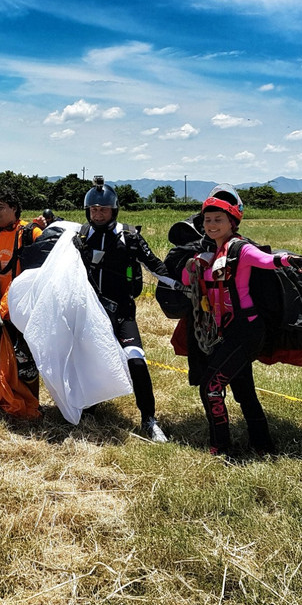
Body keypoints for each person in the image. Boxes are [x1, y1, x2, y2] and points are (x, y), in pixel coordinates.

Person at [184, 184, 302, 456]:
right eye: (207, 220)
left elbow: (267, 260)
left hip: (245, 331)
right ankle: (262, 443)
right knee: (243, 390)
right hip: (223, 331)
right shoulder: (207, 255)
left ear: (232, 222)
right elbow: (187, 282)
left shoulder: (239, 249)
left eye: (218, 220)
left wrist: (291, 260)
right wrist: (193, 265)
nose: (211, 225)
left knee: (211, 386)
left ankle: (220, 445)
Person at [75, 177, 180, 442]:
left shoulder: (130, 236)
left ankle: (149, 419)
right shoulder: (80, 235)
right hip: (91, 314)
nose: (98, 214)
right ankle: (88, 408)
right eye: (93, 210)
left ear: (114, 211)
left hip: (122, 312)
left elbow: (155, 265)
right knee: (89, 361)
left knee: (135, 360)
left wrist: (181, 286)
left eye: (103, 210)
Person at [0, 186, 44, 402]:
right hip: (1, 310)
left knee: (26, 360)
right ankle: (9, 399)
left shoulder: (30, 233)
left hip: (26, 310)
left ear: (14, 209)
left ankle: (31, 404)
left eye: (0, 207)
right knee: (6, 358)